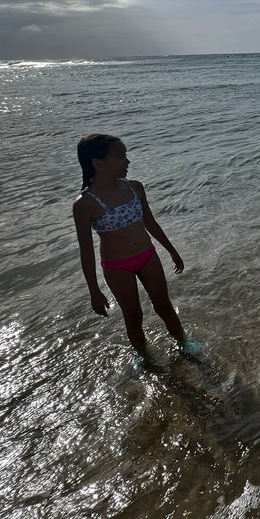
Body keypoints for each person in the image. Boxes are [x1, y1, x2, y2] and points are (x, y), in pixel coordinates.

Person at [73, 134, 197, 364]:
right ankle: (145, 357)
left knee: (164, 305)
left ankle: (183, 344)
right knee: (133, 315)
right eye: (120, 156)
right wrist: (94, 290)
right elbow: (86, 251)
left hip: (147, 256)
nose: (127, 161)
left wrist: (171, 250)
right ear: (97, 162)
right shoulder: (85, 204)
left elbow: (150, 222)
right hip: (117, 267)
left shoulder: (134, 188)